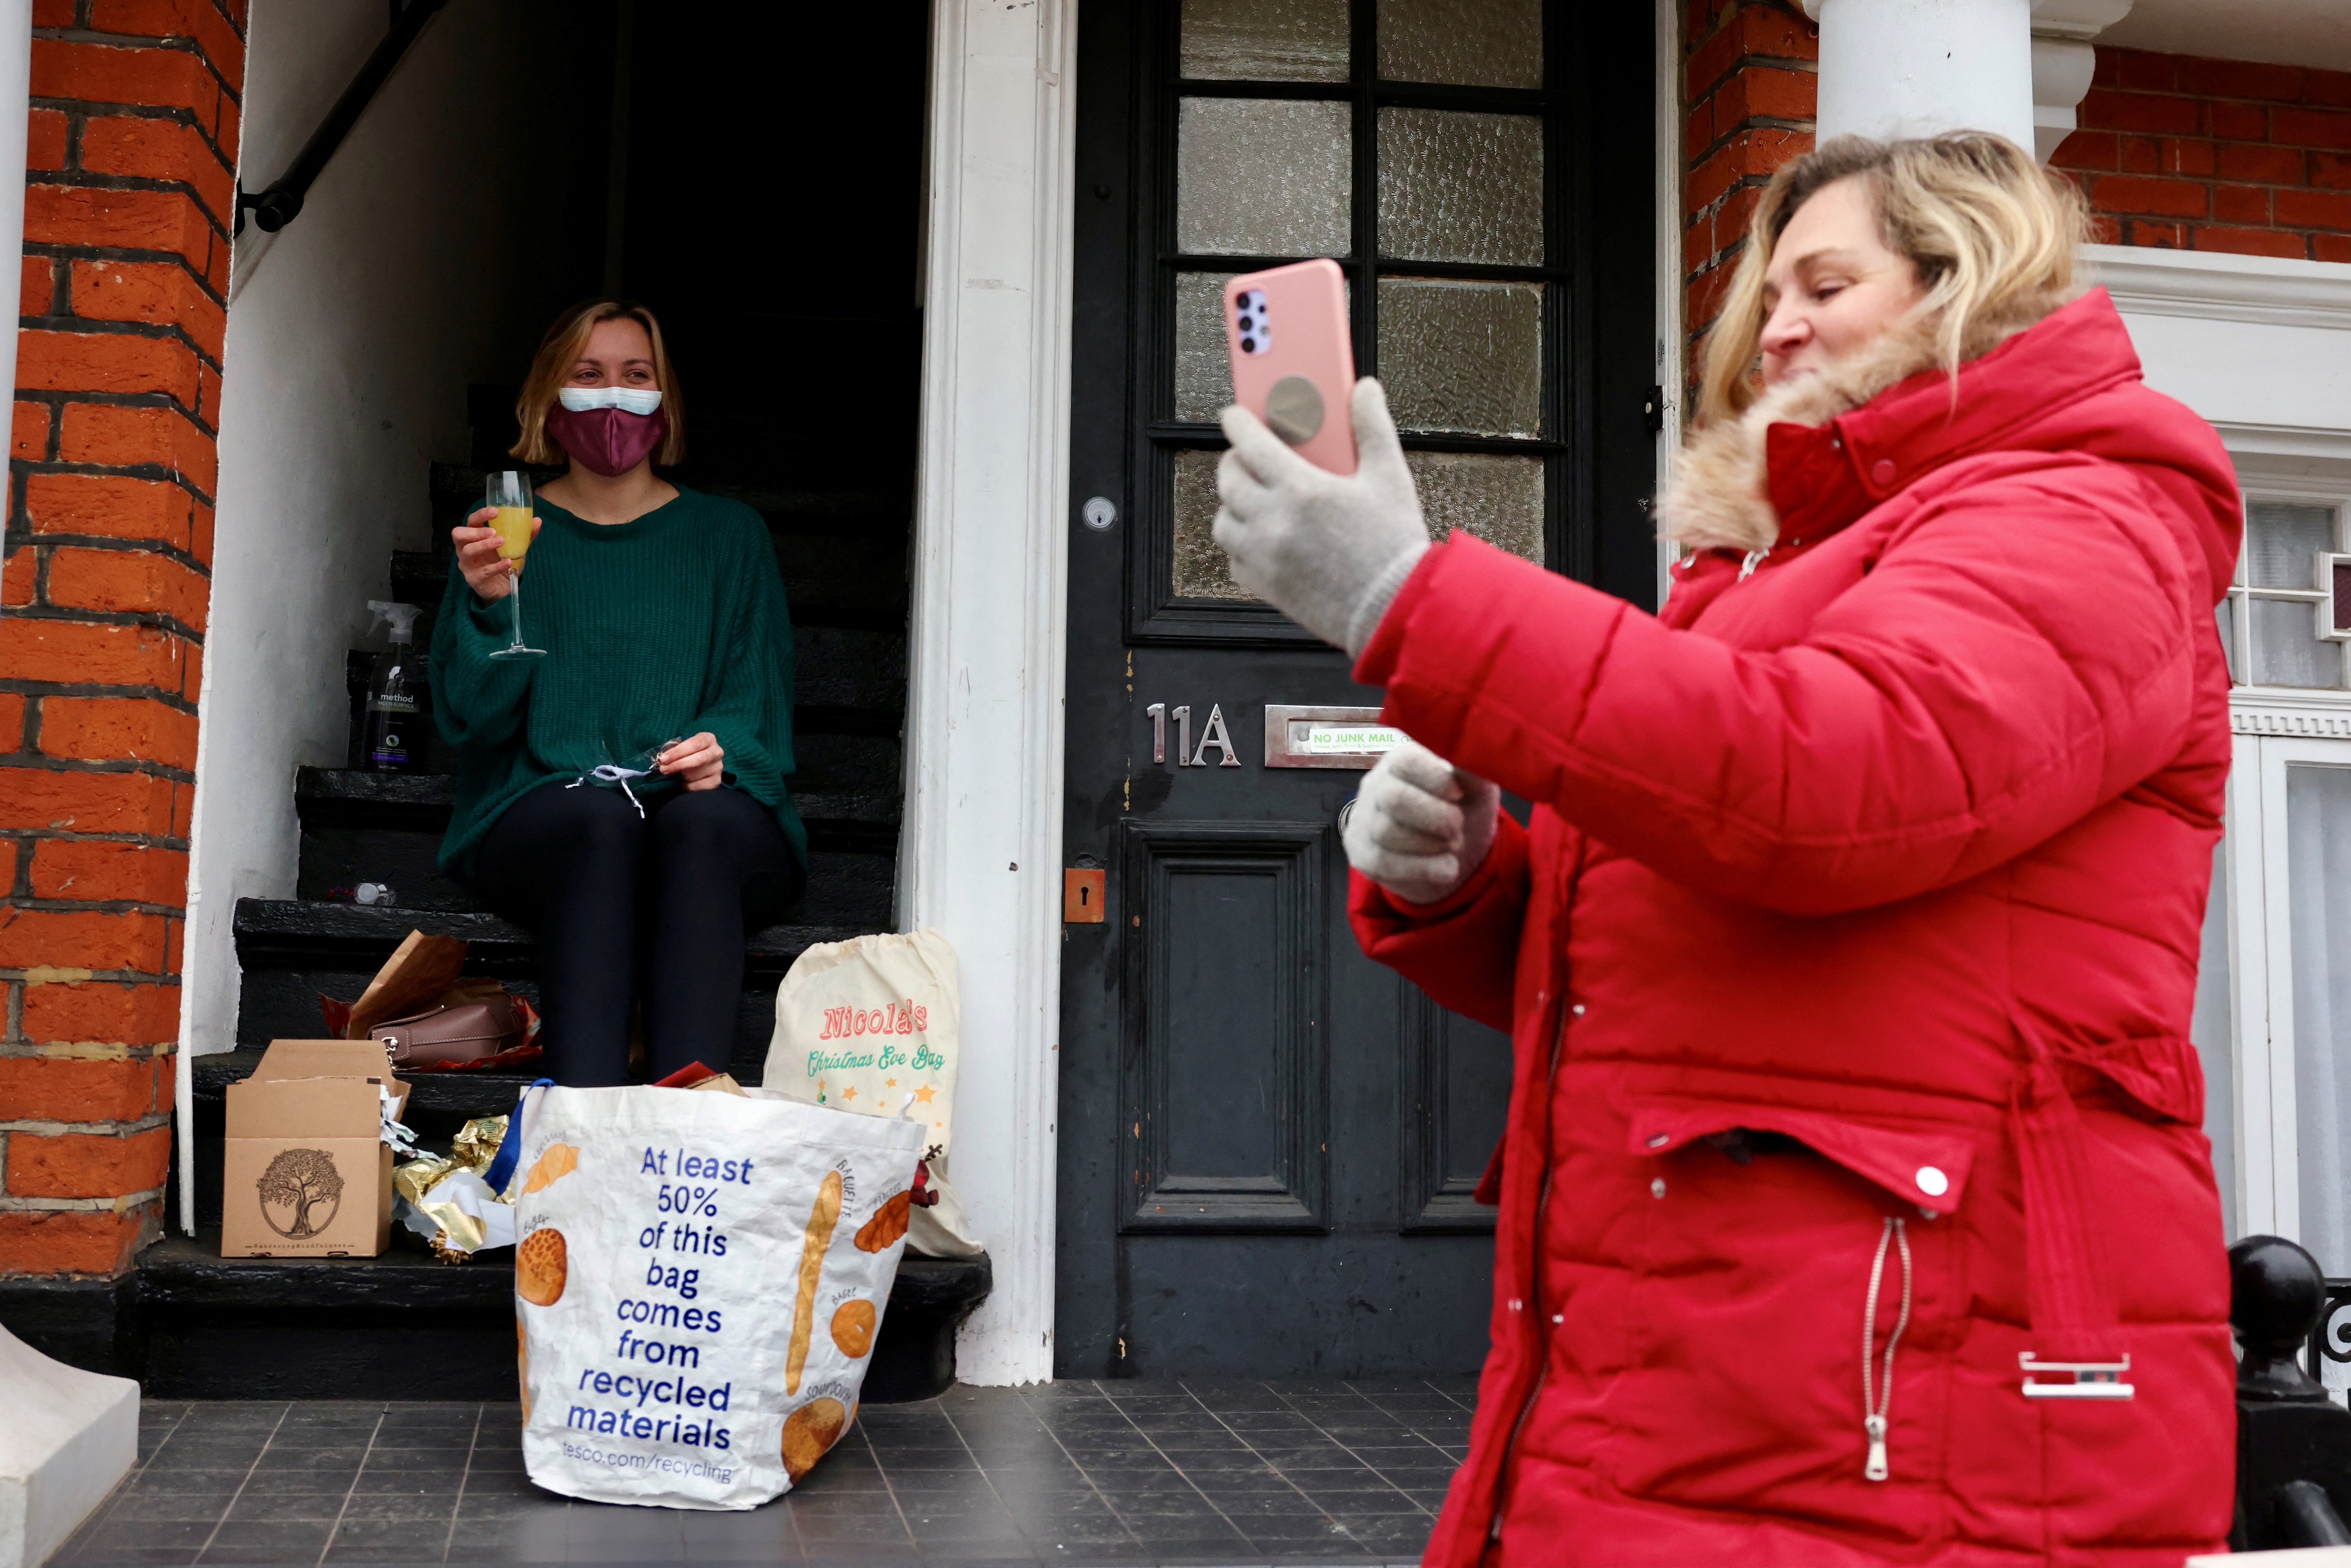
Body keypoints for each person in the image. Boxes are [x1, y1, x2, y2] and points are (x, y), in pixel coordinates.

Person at [1214, 135, 2237, 1564]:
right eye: (1767, 297)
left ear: (1970, 283)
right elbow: (1680, 936)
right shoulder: (1773, 571)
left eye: (1829, 280)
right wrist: (1464, 883)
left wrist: (1408, 599)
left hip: (1910, 1384)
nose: (1780, 325)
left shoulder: (2079, 510)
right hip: (1733, 1356)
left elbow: (1829, 781)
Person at [432, 299, 805, 1087]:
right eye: (588, 375)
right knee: (599, 823)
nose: (613, 397)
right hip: (555, 806)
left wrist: (721, 752)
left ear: (664, 402)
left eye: (636, 377)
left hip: (693, 812)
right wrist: (493, 609)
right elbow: (473, 724)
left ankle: (690, 1122)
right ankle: (582, 1123)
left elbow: (755, 704)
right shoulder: (506, 531)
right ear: (545, 398)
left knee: (699, 828)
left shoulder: (728, 535)